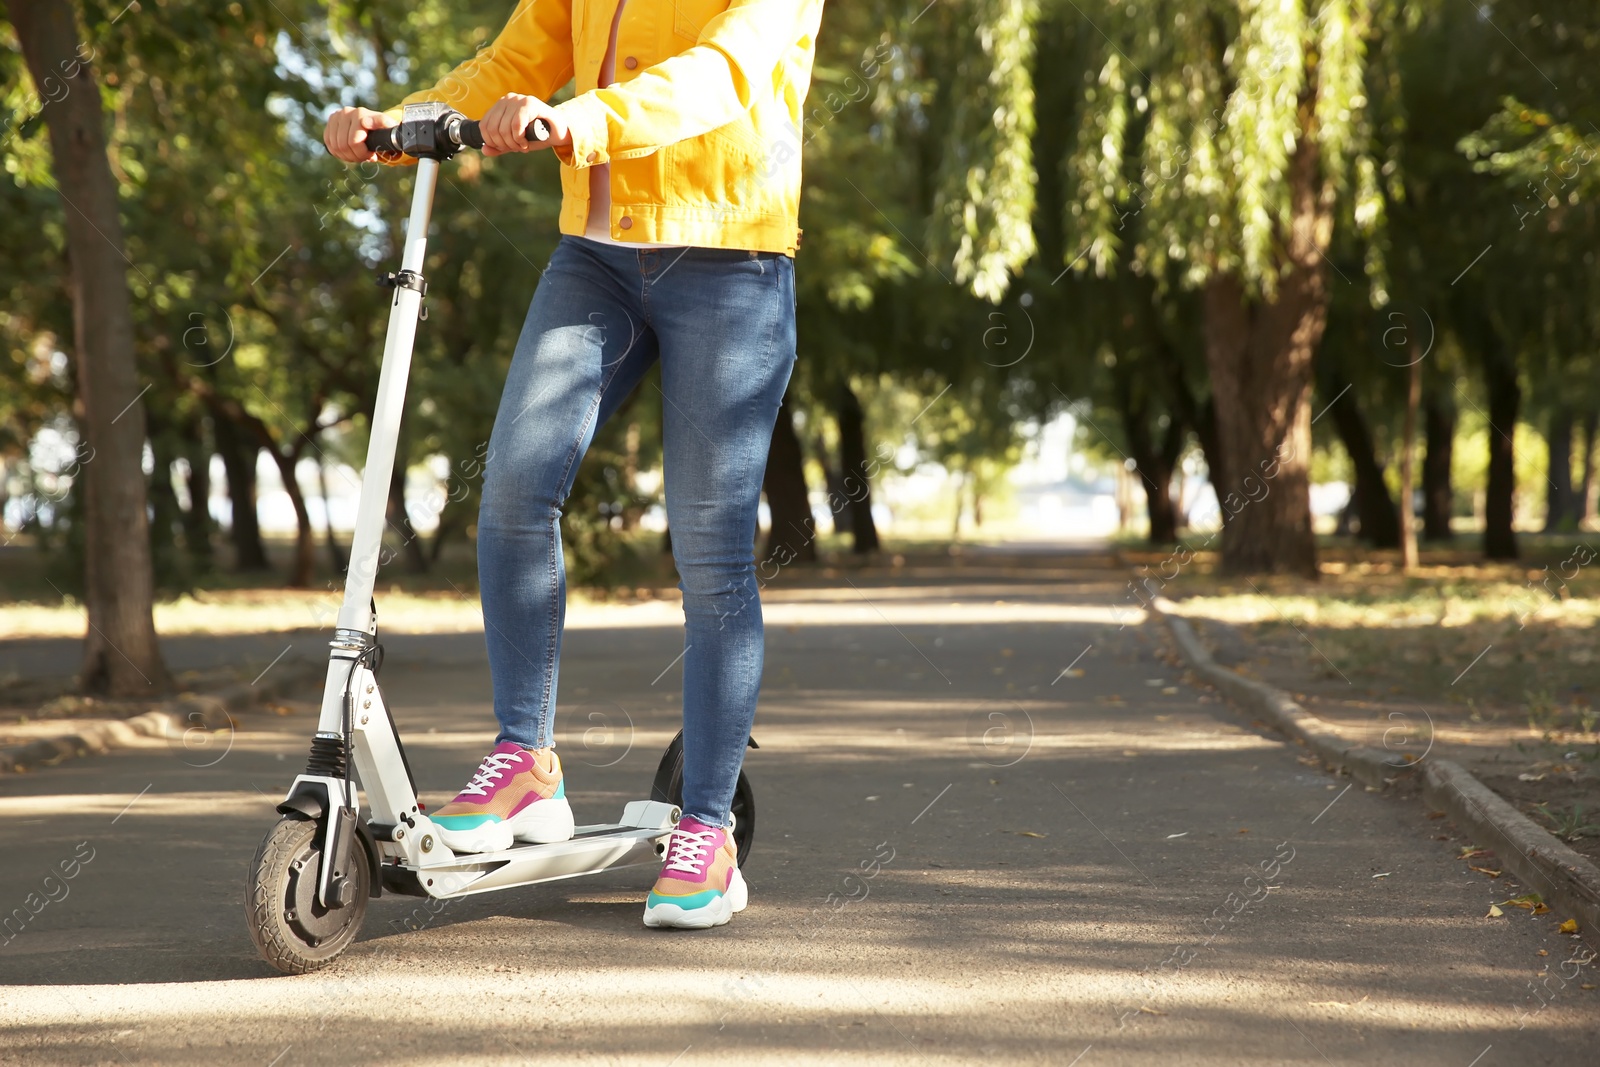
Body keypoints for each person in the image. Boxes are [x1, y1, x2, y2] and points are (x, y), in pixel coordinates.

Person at [323, 0, 825, 929]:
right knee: (513, 491)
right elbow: (516, 55)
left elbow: (724, 72)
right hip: (596, 258)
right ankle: (527, 763)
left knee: (711, 550)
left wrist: (587, 119)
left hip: (732, 258)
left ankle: (707, 828)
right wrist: (399, 125)